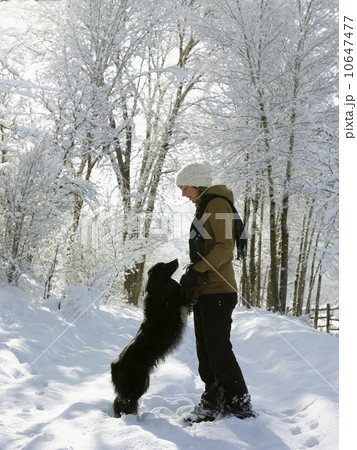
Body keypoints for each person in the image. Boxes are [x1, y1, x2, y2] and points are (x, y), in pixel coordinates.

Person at [176, 161, 254, 424]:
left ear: (197, 184)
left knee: (218, 350)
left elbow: (224, 247)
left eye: (184, 188)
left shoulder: (217, 204)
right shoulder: (205, 206)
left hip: (218, 290)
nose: (183, 194)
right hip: (207, 290)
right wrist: (194, 275)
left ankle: (239, 403)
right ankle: (214, 399)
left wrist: (197, 270)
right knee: (206, 351)